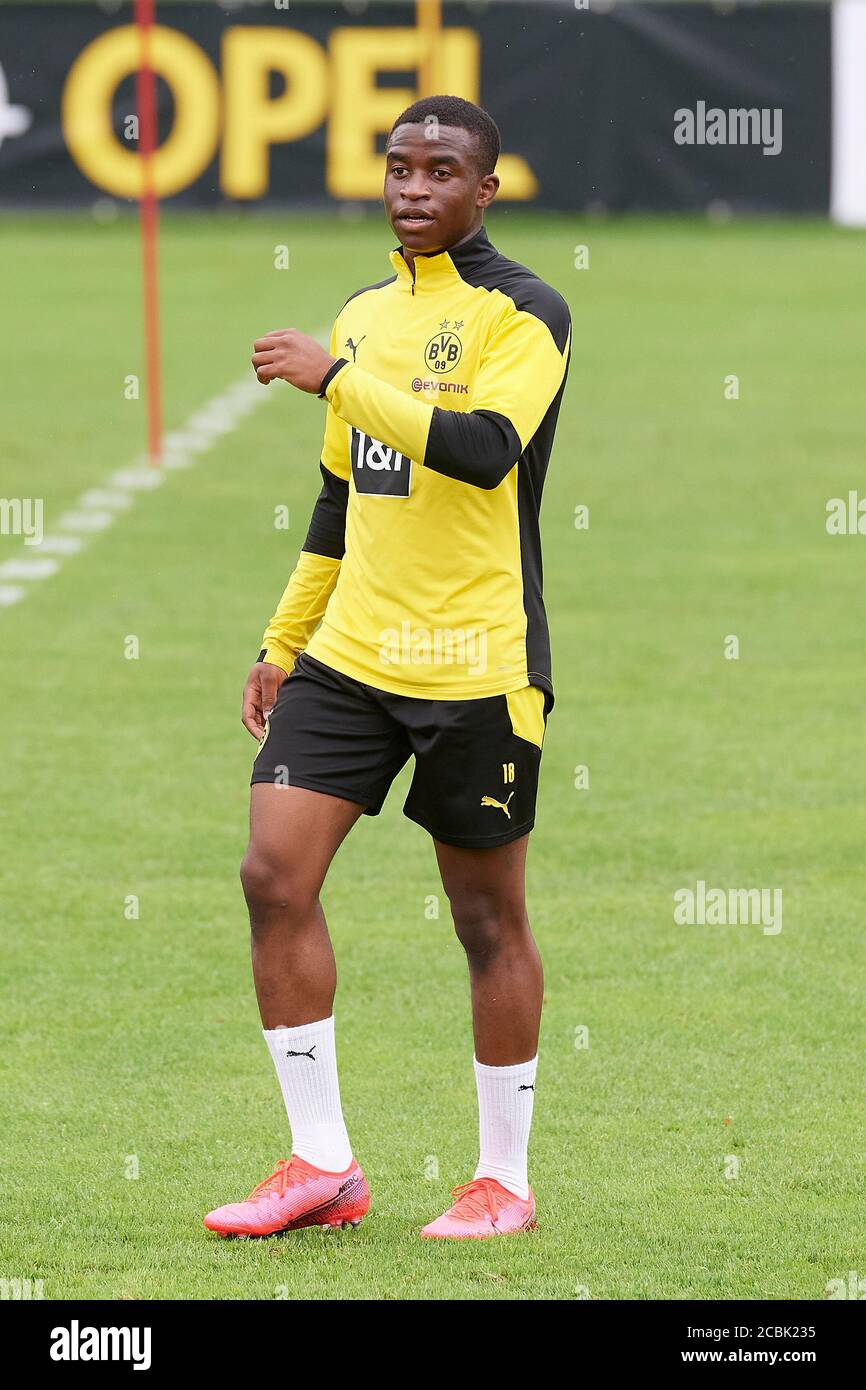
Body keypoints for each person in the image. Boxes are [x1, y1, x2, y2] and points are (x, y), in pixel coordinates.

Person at [204, 95, 571, 1241]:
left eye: (439, 171)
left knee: (482, 918)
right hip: (350, 655)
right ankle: (322, 1163)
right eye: (398, 168)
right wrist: (283, 638)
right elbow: (338, 497)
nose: (413, 189)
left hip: (474, 662)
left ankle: (500, 1178)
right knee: (273, 875)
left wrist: (334, 379)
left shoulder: (526, 312)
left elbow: (478, 450)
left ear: (484, 189)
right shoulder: (363, 311)